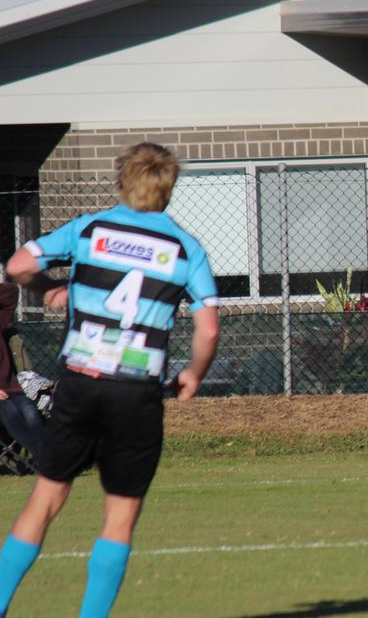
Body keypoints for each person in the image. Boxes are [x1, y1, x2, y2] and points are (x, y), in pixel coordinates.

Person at [0, 142, 220, 617]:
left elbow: (18, 265)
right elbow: (209, 326)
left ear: (122, 180)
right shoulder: (186, 247)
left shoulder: (89, 228)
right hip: (137, 391)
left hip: (80, 381)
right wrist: (194, 374)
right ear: (168, 189)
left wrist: (50, 288)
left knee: (46, 498)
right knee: (119, 517)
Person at [0, 282, 46, 466]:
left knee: (30, 412)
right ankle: (47, 460)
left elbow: (11, 292)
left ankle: (47, 458)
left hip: (12, 387)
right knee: (11, 414)